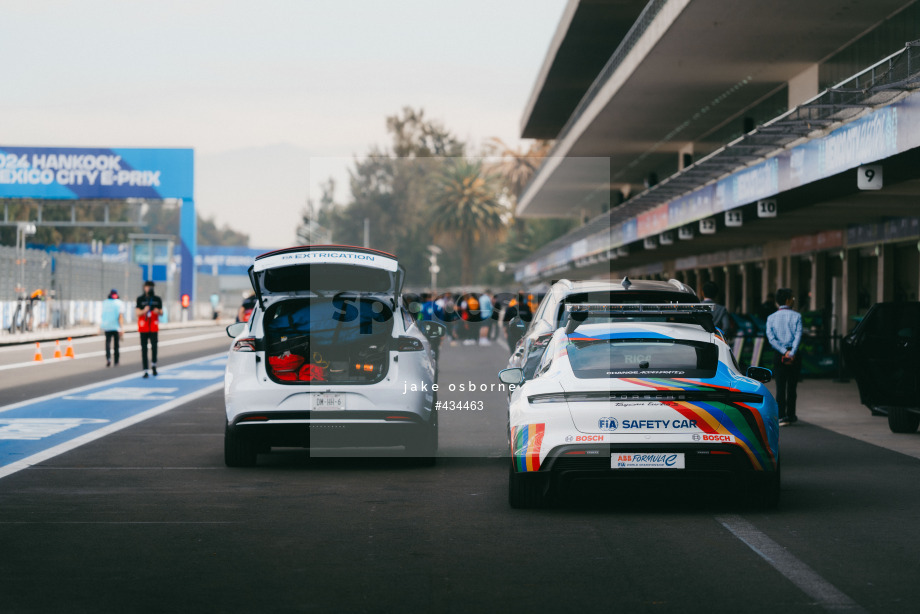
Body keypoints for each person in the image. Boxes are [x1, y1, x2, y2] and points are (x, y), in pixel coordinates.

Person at [766, 288, 803, 426]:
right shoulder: (797, 316)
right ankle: (791, 415)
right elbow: (798, 335)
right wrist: (792, 352)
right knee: (792, 386)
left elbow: (771, 339)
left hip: (779, 354)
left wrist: (783, 351)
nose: (794, 300)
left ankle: (780, 416)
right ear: (787, 300)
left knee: (780, 386)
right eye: (792, 298)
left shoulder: (771, 318)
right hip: (794, 355)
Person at [136, 280, 163, 378]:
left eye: (151, 287)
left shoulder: (157, 299)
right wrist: (145, 310)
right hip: (143, 327)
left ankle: (154, 365)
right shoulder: (140, 299)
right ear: (144, 287)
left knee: (154, 348)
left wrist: (157, 311)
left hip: (154, 327)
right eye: (147, 286)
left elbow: (161, 312)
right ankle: (145, 369)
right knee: (144, 349)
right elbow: (137, 312)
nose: (149, 289)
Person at [100, 289, 125, 367]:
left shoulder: (104, 302)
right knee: (116, 344)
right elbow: (120, 316)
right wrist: (122, 328)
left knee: (107, 343)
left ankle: (108, 359)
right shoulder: (119, 303)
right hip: (116, 326)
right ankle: (116, 361)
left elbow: (102, 314)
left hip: (107, 326)